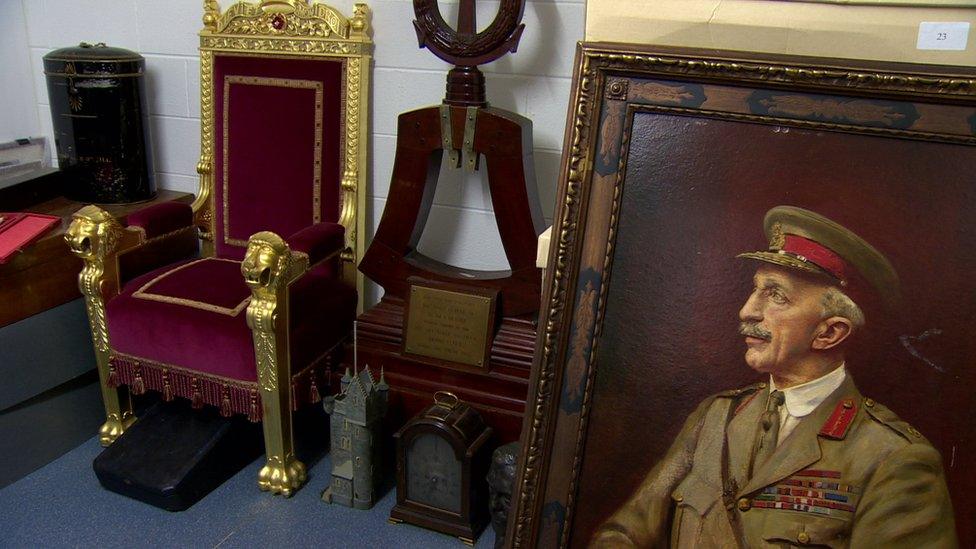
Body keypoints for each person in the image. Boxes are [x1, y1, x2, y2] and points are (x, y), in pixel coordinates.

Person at [591, 206, 957, 548]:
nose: (747, 310)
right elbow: (622, 534)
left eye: (776, 296)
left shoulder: (894, 459)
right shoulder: (714, 417)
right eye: (756, 288)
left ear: (830, 332)